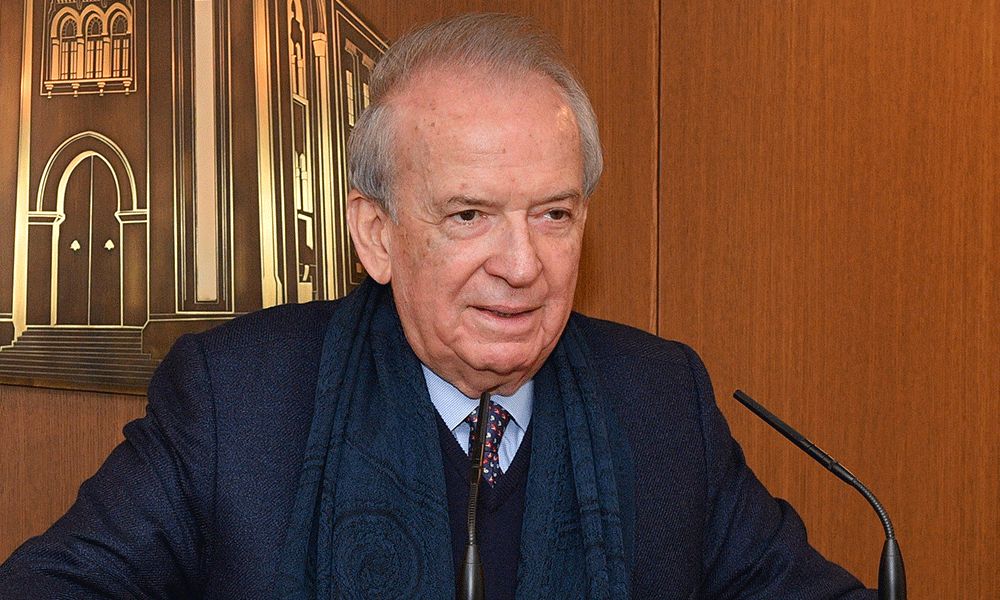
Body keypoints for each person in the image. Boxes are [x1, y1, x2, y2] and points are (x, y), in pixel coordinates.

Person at [0, 13, 875, 600]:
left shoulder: (659, 401)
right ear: (375, 235)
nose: (522, 266)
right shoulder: (237, 400)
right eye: (469, 216)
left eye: (554, 215)